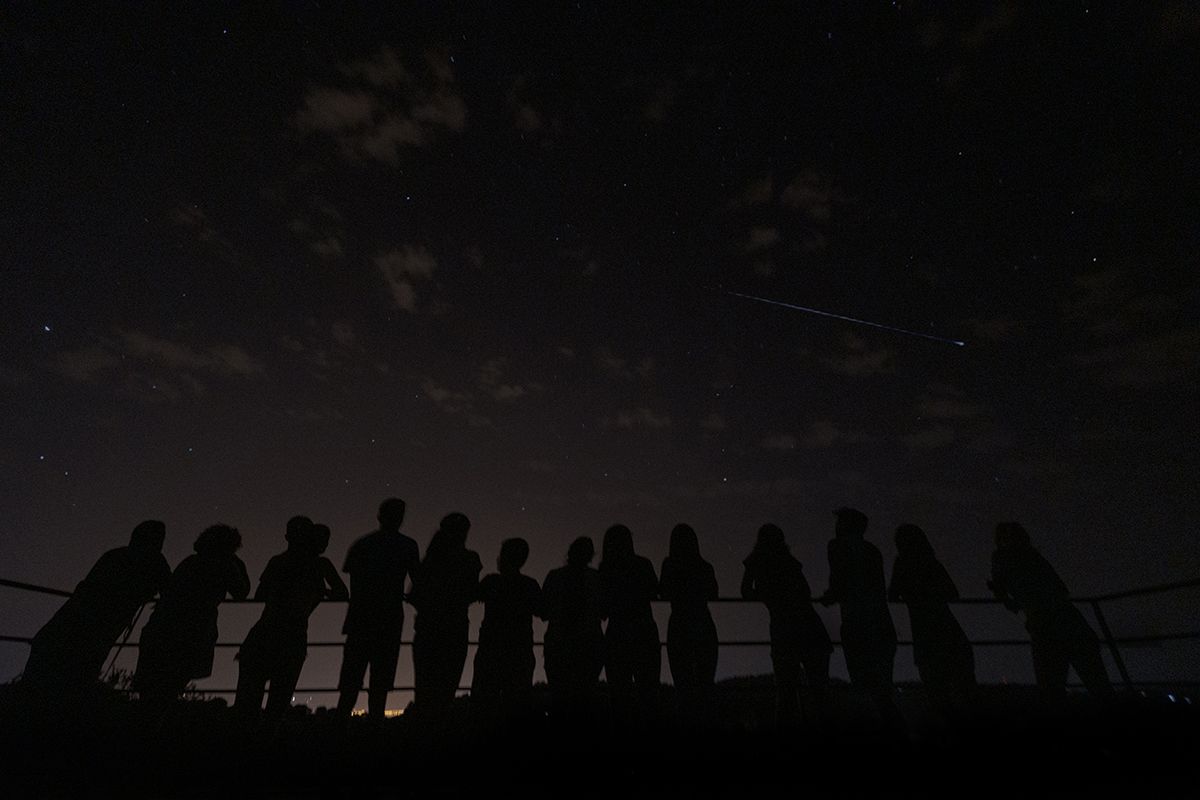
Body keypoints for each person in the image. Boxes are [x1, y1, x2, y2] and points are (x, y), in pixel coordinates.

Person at [23, 520, 171, 695]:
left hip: (85, 611)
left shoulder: (117, 555)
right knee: (81, 657)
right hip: (102, 617)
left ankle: (36, 694)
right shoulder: (153, 562)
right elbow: (169, 591)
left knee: (57, 648)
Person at [235, 517, 348, 719]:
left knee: (247, 703)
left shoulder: (277, 561)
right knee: (277, 705)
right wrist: (320, 592)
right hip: (292, 637)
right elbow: (342, 593)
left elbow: (260, 594)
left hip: (262, 634)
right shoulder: (320, 565)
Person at [988, 522, 1111, 697]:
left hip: (1045, 627)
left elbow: (1004, 592)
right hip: (1072, 622)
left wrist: (1006, 597)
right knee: (1098, 684)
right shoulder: (1034, 557)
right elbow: (1061, 590)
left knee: (1050, 689)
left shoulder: (1002, 558)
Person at [133, 524, 250, 706]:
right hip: (193, 632)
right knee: (168, 690)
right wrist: (236, 562)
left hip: (162, 626)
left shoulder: (190, 561)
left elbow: (170, 590)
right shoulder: (225, 565)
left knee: (151, 688)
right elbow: (242, 592)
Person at [335, 498, 420, 722]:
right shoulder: (408, 546)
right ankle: (375, 727)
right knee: (381, 681)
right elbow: (418, 580)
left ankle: (340, 726)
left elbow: (355, 584)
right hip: (390, 619)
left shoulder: (363, 544)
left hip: (361, 618)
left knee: (351, 679)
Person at [741, 523, 831, 725]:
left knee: (786, 692)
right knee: (819, 692)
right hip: (811, 629)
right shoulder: (790, 562)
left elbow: (745, 591)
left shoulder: (757, 561)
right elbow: (805, 592)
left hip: (784, 631)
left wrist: (765, 595)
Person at [820, 508, 901, 727]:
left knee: (864, 685)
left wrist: (829, 597)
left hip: (858, 625)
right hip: (882, 625)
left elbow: (839, 583)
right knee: (882, 690)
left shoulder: (837, 547)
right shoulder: (872, 551)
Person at [888, 524, 975, 706]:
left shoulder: (902, 564)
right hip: (945, 625)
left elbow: (892, 595)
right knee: (962, 677)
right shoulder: (931, 562)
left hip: (923, 629)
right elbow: (953, 592)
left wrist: (912, 595)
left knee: (934, 683)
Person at [409, 512, 481, 727]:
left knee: (424, 688)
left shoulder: (430, 562)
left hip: (427, 630)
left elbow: (415, 596)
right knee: (447, 688)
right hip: (455, 629)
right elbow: (472, 593)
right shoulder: (470, 559)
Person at [471, 537, 542, 725]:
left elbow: (469, 595)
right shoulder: (530, 585)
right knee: (517, 706)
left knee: (484, 704)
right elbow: (543, 611)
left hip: (490, 651)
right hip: (520, 652)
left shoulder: (491, 582)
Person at [599, 524, 661, 725]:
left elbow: (603, 608)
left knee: (618, 693)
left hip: (617, 634)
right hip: (644, 632)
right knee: (648, 690)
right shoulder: (643, 564)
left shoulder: (606, 569)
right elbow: (654, 591)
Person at [658, 523, 718, 721]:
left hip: (679, 626)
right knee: (705, 682)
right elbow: (714, 593)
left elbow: (663, 592)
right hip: (703, 623)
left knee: (682, 685)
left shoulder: (669, 564)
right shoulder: (704, 566)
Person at [541, 536, 604, 723]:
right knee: (584, 700)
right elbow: (603, 610)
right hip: (589, 645)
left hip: (559, 644)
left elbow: (544, 611)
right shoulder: (596, 579)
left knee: (559, 699)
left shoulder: (555, 577)